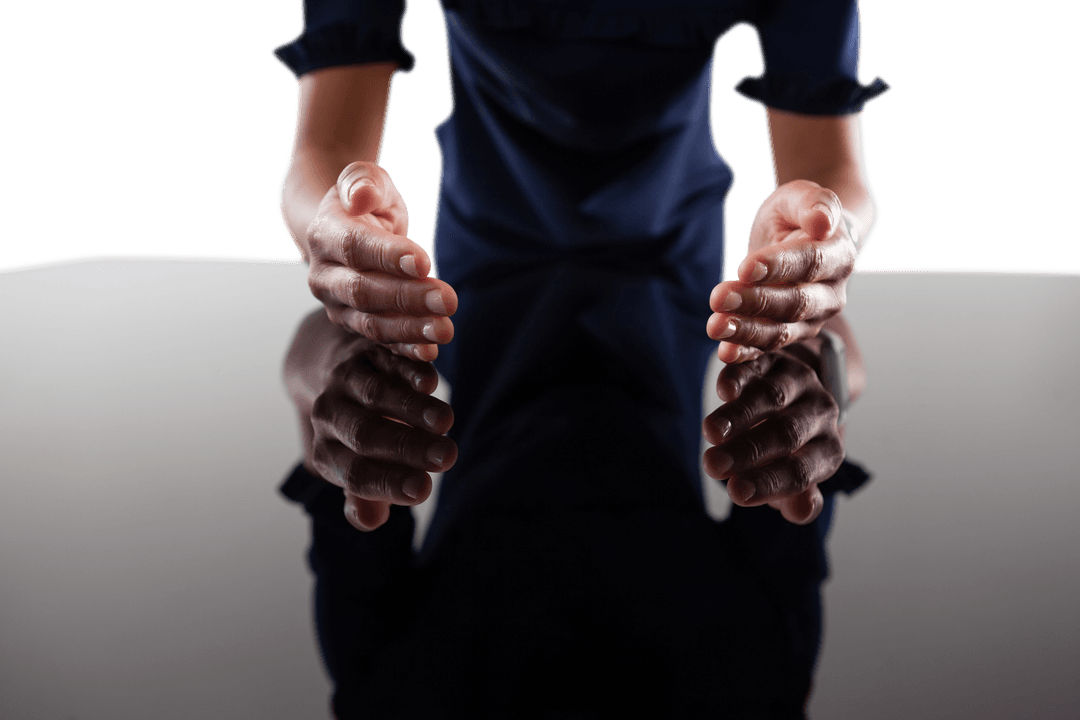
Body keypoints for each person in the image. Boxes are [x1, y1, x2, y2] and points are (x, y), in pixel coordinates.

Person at [274, 0, 886, 716]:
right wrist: (823, 255)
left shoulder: (398, 697)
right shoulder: (749, 690)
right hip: (640, 285)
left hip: (519, 279)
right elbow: (818, 420)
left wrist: (824, 232)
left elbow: (318, 415)